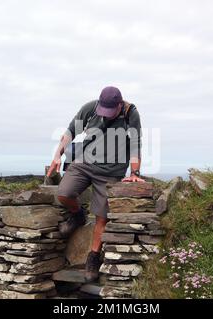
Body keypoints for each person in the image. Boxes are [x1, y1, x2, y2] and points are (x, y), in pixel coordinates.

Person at [46, 86, 145, 282]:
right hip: (84, 162)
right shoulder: (90, 108)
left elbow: (135, 144)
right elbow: (70, 131)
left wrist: (134, 172)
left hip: (111, 171)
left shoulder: (130, 114)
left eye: (110, 111)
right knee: (64, 193)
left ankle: (93, 257)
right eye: (103, 110)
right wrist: (57, 155)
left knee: (102, 216)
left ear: (120, 104)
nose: (106, 115)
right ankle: (77, 215)